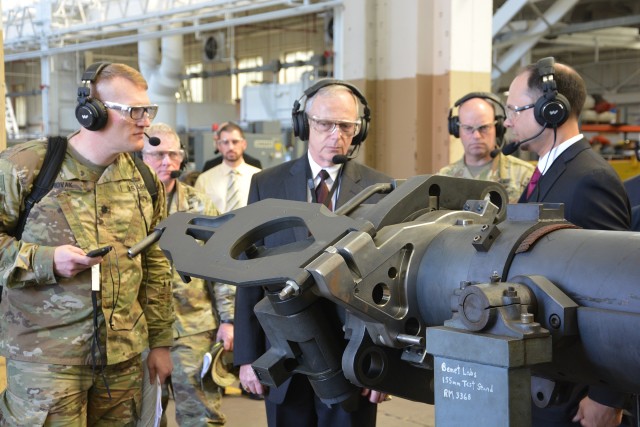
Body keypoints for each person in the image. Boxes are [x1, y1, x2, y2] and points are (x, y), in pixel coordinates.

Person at [0, 62, 174, 425]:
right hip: (46, 358)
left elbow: (156, 262)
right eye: (133, 111)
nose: (145, 120)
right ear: (90, 113)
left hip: (123, 359)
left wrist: (160, 341)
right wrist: (45, 260)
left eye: (148, 110)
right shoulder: (28, 167)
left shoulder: (143, 179)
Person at [234, 79, 391, 427]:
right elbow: (248, 274)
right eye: (324, 124)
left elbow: (389, 283)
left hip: (352, 357)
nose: (335, 134)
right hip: (283, 350)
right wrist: (247, 356)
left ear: (359, 130)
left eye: (346, 126)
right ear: (304, 124)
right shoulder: (267, 184)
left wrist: (386, 365)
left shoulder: (380, 189)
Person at [505, 57, 632, 426]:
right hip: (552, 377)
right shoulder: (550, 172)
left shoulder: (589, 180)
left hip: (579, 393)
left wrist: (608, 395)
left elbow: (621, 289)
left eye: (515, 109)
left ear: (551, 110)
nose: (509, 120)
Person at [138, 123, 235, 426]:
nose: (166, 162)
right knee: (141, 417)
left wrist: (229, 320)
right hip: (138, 328)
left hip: (193, 327)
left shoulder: (199, 206)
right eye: (157, 155)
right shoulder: (126, 204)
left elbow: (221, 265)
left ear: (182, 158)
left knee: (202, 415)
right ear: (141, 157)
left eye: (172, 154)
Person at [439, 92, 535, 203]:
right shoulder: (443, 179)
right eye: (468, 128)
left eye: (484, 127)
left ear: (498, 128)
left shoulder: (525, 176)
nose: (476, 136)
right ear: (456, 130)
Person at [195, 122, 261, 213]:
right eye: (225, 142)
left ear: (244, 144)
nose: (231, 147)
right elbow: (197, 216)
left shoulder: (260, 177)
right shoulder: (204, 180)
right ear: (219, 146)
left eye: (235, 142)